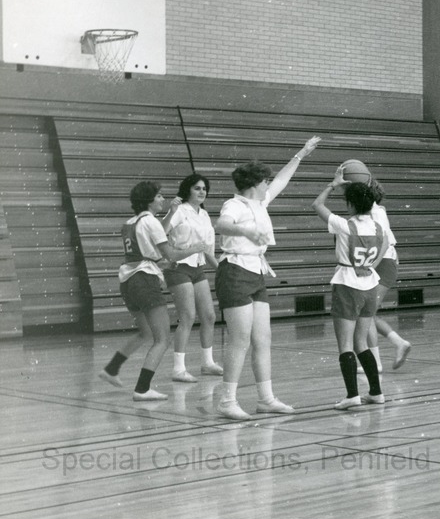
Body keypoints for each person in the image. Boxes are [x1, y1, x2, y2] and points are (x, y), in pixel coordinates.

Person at [214, 136, 321, 420]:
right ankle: (227, 401)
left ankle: (266, 399)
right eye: (264, 181)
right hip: (234, 271)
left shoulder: (261, 203)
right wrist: (246, 232)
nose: (268, 185)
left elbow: (282, 181)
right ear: (253, 184)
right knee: (240, 340)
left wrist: (301, 153)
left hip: (256, 272)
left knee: (263, 338)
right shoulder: (234, 205)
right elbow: (221, 224)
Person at [99, 181, 207, 400]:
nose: (162, 199)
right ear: (149, 199)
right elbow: (172, 254)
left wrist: (166, 264)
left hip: (128, 280)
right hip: (144, 281)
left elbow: (143, 256)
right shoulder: (151, 222)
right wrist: (195, 248)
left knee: (145, 332)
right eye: (158, 196)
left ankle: (112, 368)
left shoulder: (129, 222)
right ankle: (142, 388)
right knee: (162, 339)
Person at [312, 168, 387, 409]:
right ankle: (376, 392)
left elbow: (317, 205)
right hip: (369, 286)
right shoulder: (378, 227)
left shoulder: (345, 226)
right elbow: (384, 248)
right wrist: (370, 266)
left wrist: (332, 185)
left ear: (351, 205)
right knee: (361, 343)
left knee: (345, 345)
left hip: (348, 284)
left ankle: (352, 395)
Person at [161, 173, 222, 383]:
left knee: (209, 316)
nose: (202, 192)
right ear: (188, 190)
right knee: (187, 316)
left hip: (198, 268)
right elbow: (160, 232)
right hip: (178, 267)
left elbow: (207, 250)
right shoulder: (180, 211)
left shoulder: (204, 215)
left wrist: (223, 269)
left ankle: (207, 363)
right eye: (197, 188)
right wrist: (171, 212)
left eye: (204, 188)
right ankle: (178, 369)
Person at [363, 179, 411, 372]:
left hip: (383, 265)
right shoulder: (376, 211)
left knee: (366, 315)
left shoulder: (375, 212)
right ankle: (398, 343)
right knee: (367, 314)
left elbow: (384, 242)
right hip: (385, 264)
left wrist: (372, 265)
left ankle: (376, 363)